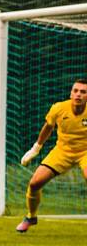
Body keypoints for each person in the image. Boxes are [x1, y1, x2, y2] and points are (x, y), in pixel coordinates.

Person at [16, 79, 87, 232]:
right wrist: (35, 149)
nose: (78, 95)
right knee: (35, 183)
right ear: (71, 93)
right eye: (75, 91)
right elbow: (48, 127)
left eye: (83, 92)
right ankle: (31, 217)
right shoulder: (59, 108)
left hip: (85, 152)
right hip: (63, 151)